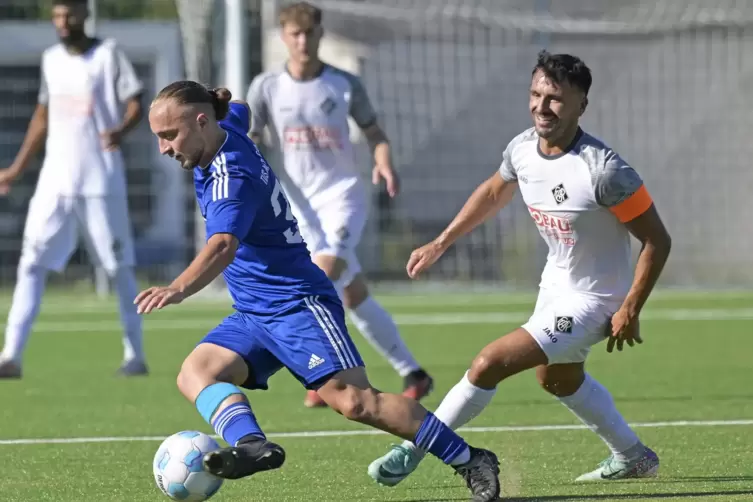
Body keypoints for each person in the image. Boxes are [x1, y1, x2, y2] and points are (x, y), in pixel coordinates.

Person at [138, 81, 501, 501]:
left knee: (357, 403)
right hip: (255, 312)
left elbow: (222, 246)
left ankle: (471, 459)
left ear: (200, 122)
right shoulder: (227, 128)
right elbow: (239, 109)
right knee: (196, 373)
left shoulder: (229, 179)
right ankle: (252, 445)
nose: (164, 148)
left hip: (296, 304)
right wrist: (222, 96)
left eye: (169, 135)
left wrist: (180, 288)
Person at [368, 50, 672, 486]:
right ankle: (633, 456)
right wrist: (441, 242)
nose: (541, 107)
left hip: (597, 298)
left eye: (555, 99)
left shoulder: (606, 172)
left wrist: (631, 307)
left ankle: (414, 447)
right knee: (558, 379)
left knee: (488, 362)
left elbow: (658, 240)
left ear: (581, 105)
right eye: (535, 94)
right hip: (555, 286)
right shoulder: (522, 148)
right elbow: (494, 191)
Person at [246, 1, 433, 409]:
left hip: (342, 196)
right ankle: (414, 373)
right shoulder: (266, 87)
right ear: (284, 37)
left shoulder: (343, 84)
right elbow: (254, 139)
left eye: (309, 33)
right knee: (354, 293)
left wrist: (383, 161)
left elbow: (374, 132)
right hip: (297, 207)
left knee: (321, 276)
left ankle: (322, 375)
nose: (303, 41)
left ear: (319, 35)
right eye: (294, 34)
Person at [0, 0, 146, 378]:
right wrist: (15, 169)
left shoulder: (109, 54)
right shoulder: (51, 59)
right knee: (31, 263)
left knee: (120, 268)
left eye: (69, 14)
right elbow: (42, 117)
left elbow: (136, 103)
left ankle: (135, 354)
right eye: (57, 16)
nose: (63, 22)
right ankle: (11, 355)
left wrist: (120, 130)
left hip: (101, 181)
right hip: (55, 183)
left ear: (84, 14)